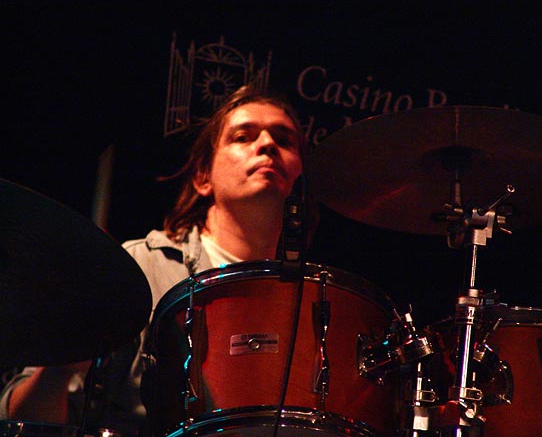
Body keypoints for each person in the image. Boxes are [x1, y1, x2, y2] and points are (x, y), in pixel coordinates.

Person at [0, 85, 312, 435]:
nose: (267, 144)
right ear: (203, 177)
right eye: (243, 137)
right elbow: (22, 421)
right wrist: (58, 370)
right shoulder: (137, 269)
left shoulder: (317, 299)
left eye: (284, 141)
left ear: (301, 176)